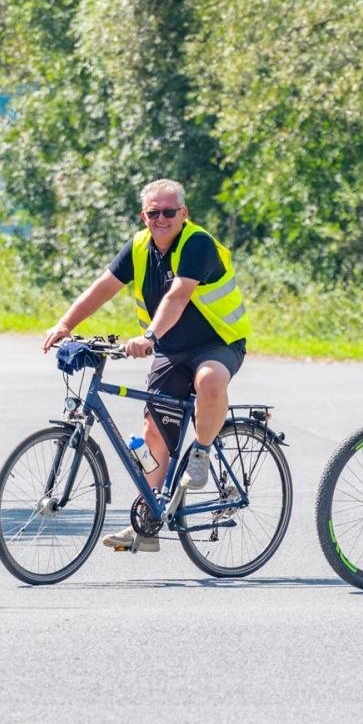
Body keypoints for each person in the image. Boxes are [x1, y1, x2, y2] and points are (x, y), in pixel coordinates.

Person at [42, 178, 250, 552]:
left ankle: (201, 452)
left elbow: (179, 294)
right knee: (153, 433)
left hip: (217, 342)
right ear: (144, 216)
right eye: (154, 213)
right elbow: (103, 287)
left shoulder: (197, 243)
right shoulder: (139, 247)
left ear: (184, 214)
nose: (161, 219)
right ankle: (148, 523)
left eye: (170, 212)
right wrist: (65, 324)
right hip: (171, 349)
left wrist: (149, 337)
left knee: (210, 380)